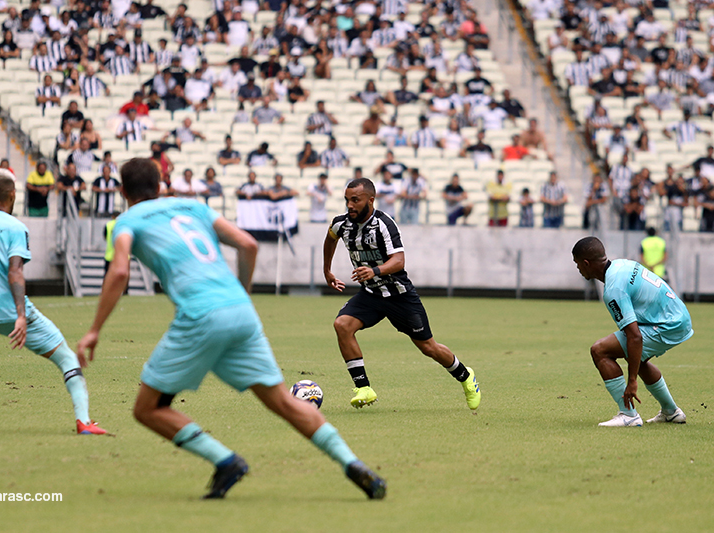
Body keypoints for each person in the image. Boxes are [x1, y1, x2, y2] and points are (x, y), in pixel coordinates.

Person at [75, 158, 386, 500]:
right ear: (161, 185)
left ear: (122, 191)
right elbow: (248, 245)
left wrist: (94, 330)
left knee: (147, 409)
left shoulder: (125, 222)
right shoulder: (193, 206)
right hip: (240, 312)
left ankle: (224, 460)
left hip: (199, 316)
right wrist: (243, 292)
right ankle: (352, 463)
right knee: (283, 401)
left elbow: (119, 273)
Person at [0, 169, 107, 434]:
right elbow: (15, 272)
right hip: (11, 315)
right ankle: (83, 420)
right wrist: (21, 315)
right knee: (67, 359)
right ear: (13, 195)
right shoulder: (16, 227)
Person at [322, 178, 481, 410]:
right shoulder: (341, 224)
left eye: (355, 200)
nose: (350, 205)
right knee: (342, 325)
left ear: (370, 200)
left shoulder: (385, 224)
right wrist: (327, 271)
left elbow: (398, 261)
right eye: (347, 200)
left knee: (428, 347)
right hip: (371, 294)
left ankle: (466, 377)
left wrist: (374, 270)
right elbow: (330, 239)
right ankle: (363, 387)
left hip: (399, 295)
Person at [571, 236, 693, 427]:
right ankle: (671, 412)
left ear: (586, 263)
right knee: (636, 356)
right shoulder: (622, 264)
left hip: (668, 324)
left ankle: (628, 415)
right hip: (678, 316)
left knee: (600, 350)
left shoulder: (613, 289)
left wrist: (632, 381)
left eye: (577, 264)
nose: (578, 268)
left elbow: (634, 337)